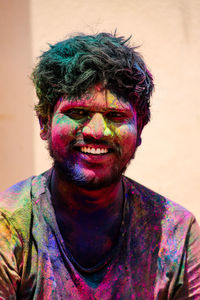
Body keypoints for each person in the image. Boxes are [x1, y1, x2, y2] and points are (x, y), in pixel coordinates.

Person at [0, 32, 200, 300]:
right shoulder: (10, 225)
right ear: (45, 124)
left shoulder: (174, 232)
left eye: (116, 115)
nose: (97, 131)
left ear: (140, 130)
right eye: (77, 113)